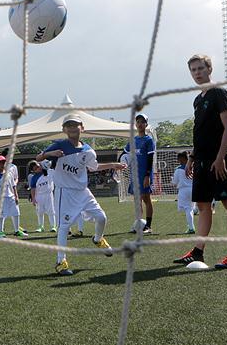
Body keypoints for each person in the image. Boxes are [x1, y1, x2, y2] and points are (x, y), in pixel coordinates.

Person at [173, 54, 227, 269]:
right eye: (193, 70)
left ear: (209, 69)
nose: (197, 73)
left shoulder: (218, 93)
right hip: (201, 162)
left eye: (200, 68)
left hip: (217, 161)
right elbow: (200, 133)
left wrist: (220, 158)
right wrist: (191, 158)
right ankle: (197, 252)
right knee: (203, 207)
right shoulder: (198, 99)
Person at [36, 114, 126, 276]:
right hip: (65, 191)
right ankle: (61, 261)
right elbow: (38, 158)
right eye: (68, 125)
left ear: (82, 128)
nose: (72, 127)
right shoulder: (59, 145)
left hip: (83, 191)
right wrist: (50, 154)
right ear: (64, 129)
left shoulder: (88, 151)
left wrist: (113, 165)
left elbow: (93, 167)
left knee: (102, 218)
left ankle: (98, 239)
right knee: (64, 227)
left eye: (75, 125)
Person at [123, 112, 156, 234]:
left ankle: (148, 226)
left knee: (146, 199)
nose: (140, 124)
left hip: (144, 175)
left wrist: (147, 175)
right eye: (138, 122)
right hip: (134, 174)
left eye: (142, 122)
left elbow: (150, 159)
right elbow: (125, 153)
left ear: (146, 124)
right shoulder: (133, 140)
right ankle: (138, 224)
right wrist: (119, 163)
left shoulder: (149, 140)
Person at [0, 155, 26, 238]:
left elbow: (13, 186)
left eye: (4, 162)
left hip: (11, 197)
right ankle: (0, 232)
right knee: (1, 215)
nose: (2, 164)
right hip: (1, 198)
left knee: (16, 213)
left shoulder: (9, 173)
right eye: (0, 163)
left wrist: (16, 196)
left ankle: (17, 231)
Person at [170, 151, 196, 234]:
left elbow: (174, 183)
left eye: (178, 159)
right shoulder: (194, 167)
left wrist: (172, 180)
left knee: (188, 209)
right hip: (193, 189)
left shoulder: (178, 169)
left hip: (184, 191)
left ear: (181, 159)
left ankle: (191, 228)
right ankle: (191, 226)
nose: (178, 160)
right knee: (191, 209)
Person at [28, 160, 57, 232]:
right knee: (40, 212)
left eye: (38, 166)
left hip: (49, 194)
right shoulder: (34, 178)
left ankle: (53, 226)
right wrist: (33, 198)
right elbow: (33, 189)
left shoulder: (47, 171)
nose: (38, 169)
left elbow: (51, 166)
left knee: (51, 211)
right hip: (39, 196)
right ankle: (41, 227)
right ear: (33, 171)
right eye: (35, 169)